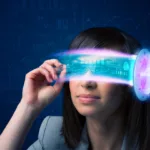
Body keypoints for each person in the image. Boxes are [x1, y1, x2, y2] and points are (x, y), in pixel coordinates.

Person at [0, 27, 149, 150]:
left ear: (134, 82)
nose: (86, 83)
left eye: (104, 70)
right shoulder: (53, 136)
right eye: (78, 67)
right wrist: (29, 105)